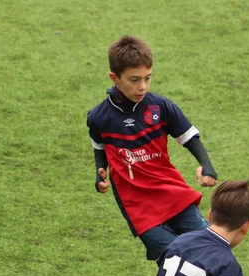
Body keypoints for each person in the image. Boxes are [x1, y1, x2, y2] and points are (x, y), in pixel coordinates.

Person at [87, 35, 218, 262]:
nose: (143, 86)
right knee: (173, 260)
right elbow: (99, 145)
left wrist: (207, 167)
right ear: (114, 78)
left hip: (171, 192)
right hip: (137, 205)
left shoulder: (161, 106)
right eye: (134, 80)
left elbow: (189, 138)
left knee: (208, 248)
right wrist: (100, 174)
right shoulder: (99, 117)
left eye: (148, 78)